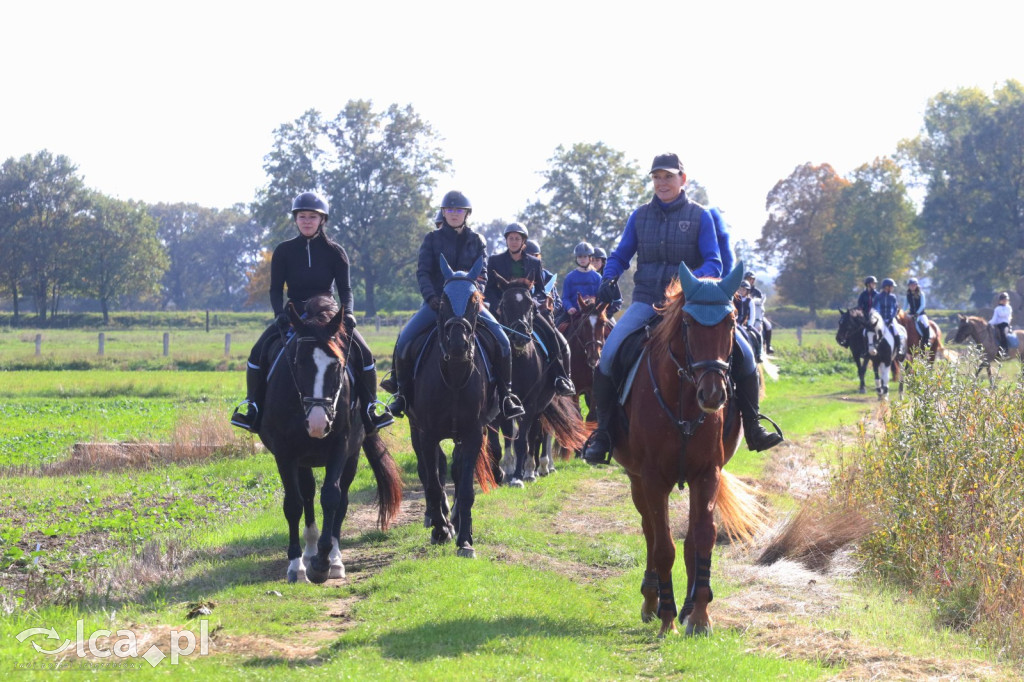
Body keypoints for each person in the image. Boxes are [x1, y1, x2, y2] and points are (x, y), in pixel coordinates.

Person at [583, 152, 783, 463]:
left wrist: (690, 284)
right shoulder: (639, 217)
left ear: (682, 179)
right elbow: (621, 254)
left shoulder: (700, 216)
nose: (662, 183)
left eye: (668, 176)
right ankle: (603, 434)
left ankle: (754, 426)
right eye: (656, 177)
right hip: (646, 302)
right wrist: (609, 277)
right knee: (607, 357)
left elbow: (713, 261)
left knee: (744, 354)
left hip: (689, 304)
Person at [231, 191, 393, 434]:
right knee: (258, 352)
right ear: (296, 220)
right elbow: (275, 290)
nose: (307, 221)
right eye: (302, 216)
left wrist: (347, 313)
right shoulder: (284, 251)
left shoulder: (336, 251)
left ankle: (371, 407)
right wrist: (279, 314)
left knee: (365, 352)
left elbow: (345, 289)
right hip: (295, 314)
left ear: (322, 220)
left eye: (312, 217)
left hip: (328, 312)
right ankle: (252, 406)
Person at [380, 191, 525, 419]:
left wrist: (475, 296)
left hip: (470, 306)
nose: (454, 214)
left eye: (458, 210)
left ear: (466, 214)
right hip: (438, 304)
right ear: (444, 213)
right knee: (405, 339)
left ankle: (506, 397)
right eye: (450, 210)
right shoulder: (431, 239)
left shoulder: (477, 240)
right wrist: (432, 298)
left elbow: (483, 274)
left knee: (504, 342)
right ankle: (401, 394)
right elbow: (423, 273)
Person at [483, 222, 574, 396]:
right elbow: (489, 290)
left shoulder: (533, 262)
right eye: (511, 238)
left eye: (517, 238)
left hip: (527, 310)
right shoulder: (495, 261)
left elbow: (540, 289)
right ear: (506, 240)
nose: (514, 242)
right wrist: (497, 306)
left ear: (523, 241)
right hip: (504, 311)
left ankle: (561, 378)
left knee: (555, 337)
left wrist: (532, 303)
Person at [559, 242, 603, 321]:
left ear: (590, 258)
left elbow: (601, 297)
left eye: (585, 257)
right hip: (573, 314)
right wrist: (569, 307)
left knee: (612, 329)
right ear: (576, 258)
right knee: (557, 327)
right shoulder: (569, 277)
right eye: (579, 257)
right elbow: (565, 297)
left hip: (593, 313)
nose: (582, 259)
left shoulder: (598, 277)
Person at [744, 271, 774, 354]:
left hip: (757, 315)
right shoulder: (742, 289)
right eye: (748, 279)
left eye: (752, 279)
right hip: (745, 315)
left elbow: (761, 305)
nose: (750, 281)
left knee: (768, 325)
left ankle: (768, 346)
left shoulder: (757, 292)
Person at [873, 278, 903, 357]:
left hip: (890, 319)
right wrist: (880, 319)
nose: (893, 288)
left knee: (897, 331)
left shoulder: (893, 297)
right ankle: (869, 349)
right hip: (880, 320)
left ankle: (899, 349)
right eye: (892, 286)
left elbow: (894, 309)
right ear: (887, 287)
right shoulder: (878, 297)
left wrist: (891, 318)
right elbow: (875, 309)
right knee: (871, 331)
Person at [589, 246, 622, 316]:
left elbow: (618, 301)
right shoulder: (582, 277)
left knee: (618, 327)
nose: (594, 263)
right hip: (585, 314)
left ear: (603, 262)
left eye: (597, 260)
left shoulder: (609, 279)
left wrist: (607, 313)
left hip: (604, 315)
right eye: (592, 260)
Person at [905, 278, 930, 349]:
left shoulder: (921, 294)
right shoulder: (908, 295)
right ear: (908, 286)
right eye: (910, 285)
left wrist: (917, 313)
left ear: (916, 285)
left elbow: (922, 305)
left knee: (926, 324)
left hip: (920, 314)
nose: (912, 286)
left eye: (913, 285)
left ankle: (926, 341)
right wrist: (903, 313)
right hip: (911, 314)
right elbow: (905, 306)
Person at [990, 291, 1012, 356]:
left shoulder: (1008, 308)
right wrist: (989, 323)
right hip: (997, 325)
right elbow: (994, 318)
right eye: (1003, 300)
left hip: (1005, 325)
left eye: (1006, 300)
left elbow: (1003, 314)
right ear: (1000, 300)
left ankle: (1005, 351)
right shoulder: (997, 309)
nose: (1005, 301)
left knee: (1003, 334)